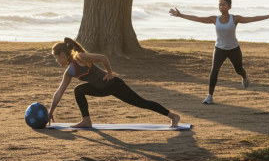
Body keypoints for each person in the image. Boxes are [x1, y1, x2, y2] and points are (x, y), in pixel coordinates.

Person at [169, 0, 269, 104]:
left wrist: (268, 16)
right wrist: (180, 15)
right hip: (220, 49)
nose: (221, 7)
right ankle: (210, 96)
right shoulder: (215, 19)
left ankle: (244, 77)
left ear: (229, 7)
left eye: (223, 5)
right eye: (219, 5)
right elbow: (198, 18)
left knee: (239, 70)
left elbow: (252, 19)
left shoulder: (235, 18)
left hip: (234, 49)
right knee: (214, 70)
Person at [47, 38, 181, 128]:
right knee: (79, 90)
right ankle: (86, 121)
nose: (56, 61)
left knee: (141, 102)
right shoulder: (69, 72)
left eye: (56, 57)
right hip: (100, 88)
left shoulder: (80, 57)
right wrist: (51, 111)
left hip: (113, 84)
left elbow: (103, 58)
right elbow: (59, 92)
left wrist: (110, 73)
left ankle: (173, 116)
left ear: (63, 55)